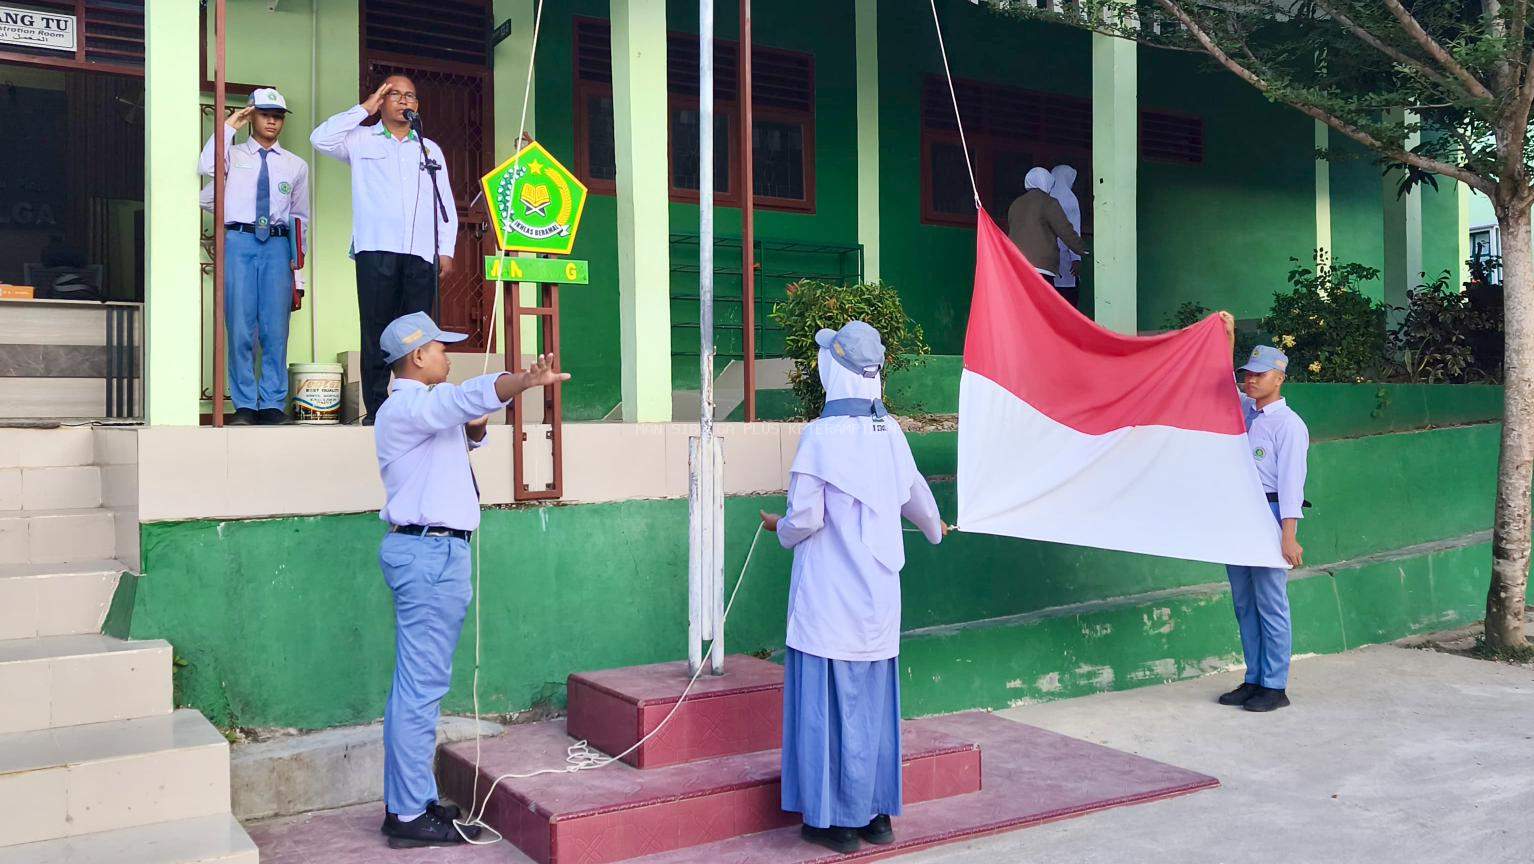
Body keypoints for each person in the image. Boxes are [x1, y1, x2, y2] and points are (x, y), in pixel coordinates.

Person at [372, 311, 569, 848]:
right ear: (416, 358)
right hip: (429, 554)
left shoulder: (418, 411)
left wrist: (478, 423)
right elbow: (460, 402)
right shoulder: (408, 406)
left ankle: (408, 802)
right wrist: (521, 382)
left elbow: (462, 430)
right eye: (439, 349)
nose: (447, 356)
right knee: (420, 691)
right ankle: (409, 814)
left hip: (431, 553)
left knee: (415, 689)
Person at [759, 321, 947, 854]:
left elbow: (805, 519)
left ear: (833, 371)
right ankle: (877, 816)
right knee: (872, 706)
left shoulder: (820, 438)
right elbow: (920, 502)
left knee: (826, 708)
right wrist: (936, 530)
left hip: (828, 600)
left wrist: (778, 529)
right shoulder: (892, 435)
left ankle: (832, 821)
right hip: (878, 602)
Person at [311, 75, 457, 425]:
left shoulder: (428, 149)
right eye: (395, 95)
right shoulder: (360, 139)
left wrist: (446, 249)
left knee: (418, 332)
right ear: (381, 100)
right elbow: (319, 139)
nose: (405, 102)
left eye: (411, 96)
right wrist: (364, 108)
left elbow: (445, 204)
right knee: (377, 328)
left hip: (421, 253)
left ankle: (415, 404)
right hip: (376, 249)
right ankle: (378, 409)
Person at [198, 87, 310, 425]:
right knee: (241, 326)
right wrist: (233, 122)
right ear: (252, 115)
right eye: (264, 114)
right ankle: (245, 404)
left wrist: (298, 271)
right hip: (240, 242)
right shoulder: (233, 155)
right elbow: (205, 165)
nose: (272, 121)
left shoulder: (295, 165)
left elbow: (300, 219)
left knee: (276, 327)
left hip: (277, 246)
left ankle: (273, 404)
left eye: (278, 116)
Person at [1218, 311, 1309, 713]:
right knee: (1244, 601)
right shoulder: (1243, 409)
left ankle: (1275, 683)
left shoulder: (1289, 425)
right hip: (1239, 513)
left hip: (1271, 513)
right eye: (1247, 374)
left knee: (1271, 601)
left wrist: (1288, 534)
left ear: (1279, 378)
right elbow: (1218, 380)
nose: (1250, 380)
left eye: (1258, 375)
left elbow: (1291, 484)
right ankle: (1253, 677)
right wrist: (1228, 336)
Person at [1006, 167, 1087, 300]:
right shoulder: (1048, 202)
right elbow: (1065, 230)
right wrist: (1082, 250)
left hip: (1017, 264)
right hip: (1041, 267)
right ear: (1046, 182)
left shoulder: (1016, 203)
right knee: (1041, 306)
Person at [1048, 164, 1084, 307]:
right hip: (1066, 257)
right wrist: (1076, 258)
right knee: (1068, 301)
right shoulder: (1070, 199)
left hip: (1049, 259)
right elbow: (1072, 230)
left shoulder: (1048, 198)